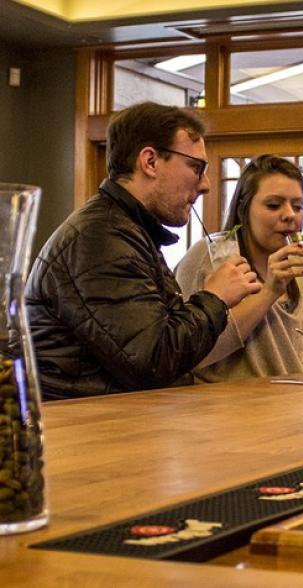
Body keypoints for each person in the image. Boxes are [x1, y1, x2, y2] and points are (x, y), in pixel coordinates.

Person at [25, 102, 260, 400]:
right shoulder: (100, 237)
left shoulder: (127, 230)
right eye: (196, 167)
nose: (206, 185)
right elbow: (153, 362)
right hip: (86, 433)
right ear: (150, 161)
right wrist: (214, 298)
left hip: (110, 426)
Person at [175, 155, 303, 382]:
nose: (290, 215)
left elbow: (302, 352)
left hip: (290, 407)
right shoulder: (212, 256)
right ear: (243, 208)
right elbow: (189, 353)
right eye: (274, 205)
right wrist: (269, 291)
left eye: (297, 206)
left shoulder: (297, 265)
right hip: (226, 410)